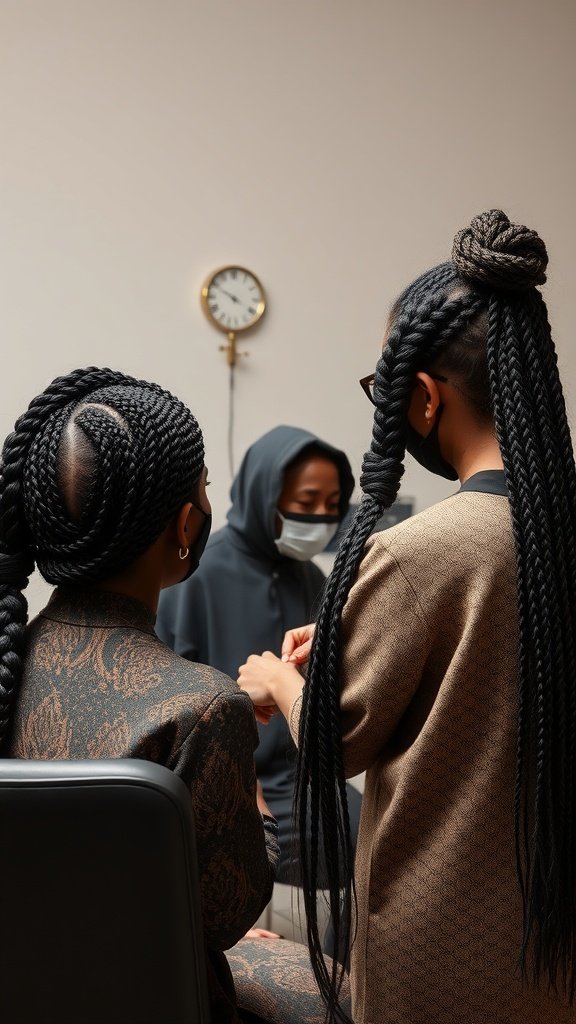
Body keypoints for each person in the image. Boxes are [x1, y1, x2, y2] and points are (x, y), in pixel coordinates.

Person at [238, 211, 576, 1023]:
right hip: (552, 938)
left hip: (440, 943)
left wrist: (280, 680)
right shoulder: (556, 539)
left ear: (423, 397)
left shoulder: (418, 551)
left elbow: (337, 740)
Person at [0, 367, 338, 1024]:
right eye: (204, 488)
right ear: (186, 526)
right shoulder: (202, 708)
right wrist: (246, 771)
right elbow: (227, 918)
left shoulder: (9, 670)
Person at [156, 425, 361, 891]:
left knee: (381, 836)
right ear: (262, 494)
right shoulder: (195, 578)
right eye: (306, 502)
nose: (320, 517)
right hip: (231, 779)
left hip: (305, 777)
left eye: (332, 504)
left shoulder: (311, 578)